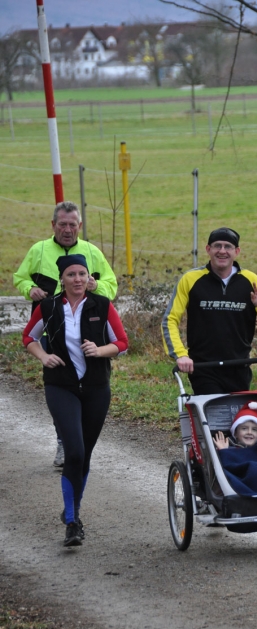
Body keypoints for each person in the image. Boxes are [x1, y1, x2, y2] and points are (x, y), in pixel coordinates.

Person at [22, 254, 128, 547]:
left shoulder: (102, 305)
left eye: (82, 274)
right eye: (71, 275)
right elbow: (28, 338)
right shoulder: (49, 306)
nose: (78, 279)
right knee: (75, 452)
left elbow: (121, 342)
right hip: (61, 386)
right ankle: (72, 522)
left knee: (85, 454)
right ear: (62, 280)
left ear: (88, 278)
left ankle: (73, 509)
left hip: (96, 387)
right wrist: (44, 356)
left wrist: (100, 350)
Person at [14, 200, 118, 468]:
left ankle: (79, 440)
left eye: (73, 224)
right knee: (60, 384)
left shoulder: (92, 252)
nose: (68, 229)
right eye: (63, 224)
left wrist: (97, 285)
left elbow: (112, 284)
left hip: (88, 328)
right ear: (53, 225)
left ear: (80, 226)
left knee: (90, 383)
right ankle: (65, 441)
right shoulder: (38, 250)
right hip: (53, 327)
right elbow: (20, 277)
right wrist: (30, 290)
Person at [161, 227, 257, 394]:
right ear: (208, 249)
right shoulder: (190, 280)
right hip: (203, 367)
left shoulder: (251, 281)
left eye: (228, 246)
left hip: (239, 367)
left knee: (237, 418)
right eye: (217, 246)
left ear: (237, 251)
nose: (222, 251)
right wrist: (180, 354)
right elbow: (170, 320)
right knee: (213, 414)